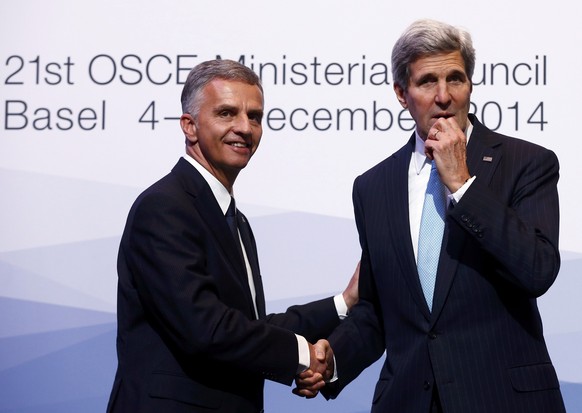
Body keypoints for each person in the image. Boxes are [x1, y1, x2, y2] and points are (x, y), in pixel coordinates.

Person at [295, 19, 565, 413]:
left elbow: (537, 269)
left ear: (470, 86)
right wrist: (334, 359)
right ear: (402, 94)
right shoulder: (374, 186)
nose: (444, 96)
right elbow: (377, 308)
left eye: (455, 79)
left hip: (502, 399)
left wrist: (463, 185)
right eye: (427, 82)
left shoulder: (526, 163)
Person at [106, 59, 359, 413]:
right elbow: (206, 329)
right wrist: (303, 355)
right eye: (227, 113)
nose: (245, 127)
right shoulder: (164, 207)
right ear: (189, 126)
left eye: (254, 116)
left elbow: (248, 328)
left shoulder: (235, 221)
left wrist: (344, 302)